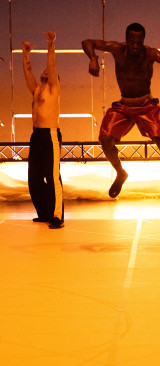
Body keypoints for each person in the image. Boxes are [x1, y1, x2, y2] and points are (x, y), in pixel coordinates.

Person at [81, 23, 160, 213]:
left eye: (139, 42)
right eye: (132, 41)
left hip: (146, 106)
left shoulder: (150, 54)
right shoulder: (117, 49)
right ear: (126, 40)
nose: (135, 46)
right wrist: (93, 58)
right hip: (124, 106)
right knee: (105, 140)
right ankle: (120, 173)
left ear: (143, 41)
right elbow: (87, 42)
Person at [22, 30, 64, 229]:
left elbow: (52, 64)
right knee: (34, 178)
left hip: (50, 135)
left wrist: (51, 43)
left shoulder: (53, 89)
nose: (45, 72)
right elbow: (28, 74)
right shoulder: (37, 90)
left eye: (49, 72)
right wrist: (26, 54)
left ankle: (57, 216)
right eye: (44, 72)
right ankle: (44, 213)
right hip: (36, 136)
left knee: (52, 175)